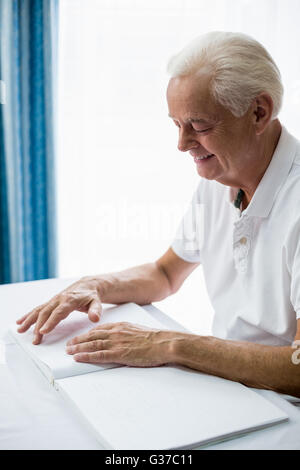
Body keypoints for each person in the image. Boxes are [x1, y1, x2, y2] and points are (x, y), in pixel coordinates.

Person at [17, 31, 300, 397]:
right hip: (237, 392)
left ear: (258, 112)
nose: (181, 144)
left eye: (198, 126)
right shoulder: (221, 176)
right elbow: (165, 273)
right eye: (176, 124)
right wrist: (95, 285)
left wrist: (170, 345)